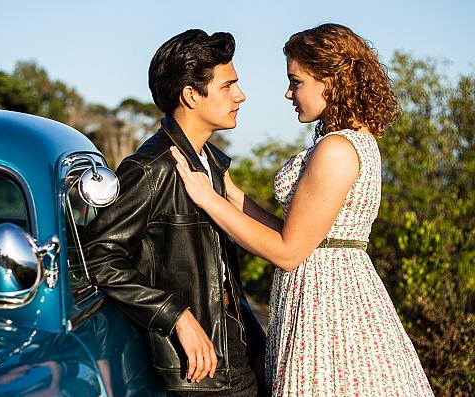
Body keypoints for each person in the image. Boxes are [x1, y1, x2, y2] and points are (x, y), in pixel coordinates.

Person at [170, 23, 434, 396]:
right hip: (331, 286)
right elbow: (298, 231)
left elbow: (289, 252)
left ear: (330, 80)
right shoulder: (354, 140)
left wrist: (207, 199)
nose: (288, 92)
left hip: (328, 301)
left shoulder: (337, 149)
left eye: (297, 81)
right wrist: (230, 193)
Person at [82, 29, 267, 396]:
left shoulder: (210, 164)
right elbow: (99, 257)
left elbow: (220, 272)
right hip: (196, 375)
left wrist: (254, 336)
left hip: (238, 360)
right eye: (228, 86)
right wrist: (175, 315)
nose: (241, 95)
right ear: (191, 95)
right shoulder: (151, 169)